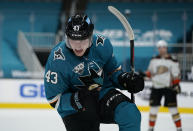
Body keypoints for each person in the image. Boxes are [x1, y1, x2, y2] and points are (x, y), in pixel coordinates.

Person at [44, 14, 144, 131]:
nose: (78, 46)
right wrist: (77, 98)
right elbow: (53, 99)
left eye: (83, 39)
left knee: (129, 113)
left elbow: (113, 72)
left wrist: (124, 79)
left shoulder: (101, 44)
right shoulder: (57, 59)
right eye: (73, 40)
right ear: (67, 37)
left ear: (91, 36)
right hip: (75, 107)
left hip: (102, 93)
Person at [140, 40, 182, 131]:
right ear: (158, 49)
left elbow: (177, 74)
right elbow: (150, 73)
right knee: (153, 110)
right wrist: (143, 74)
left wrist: (176, 84)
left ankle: (179, 129)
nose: (161, 49)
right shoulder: (154, 59)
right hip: (156, 88)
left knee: (173, 109)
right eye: (159, 47)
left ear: (166, 48)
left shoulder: (173, 60)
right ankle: (151, 128)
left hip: (169, 88)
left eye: (163, 47)